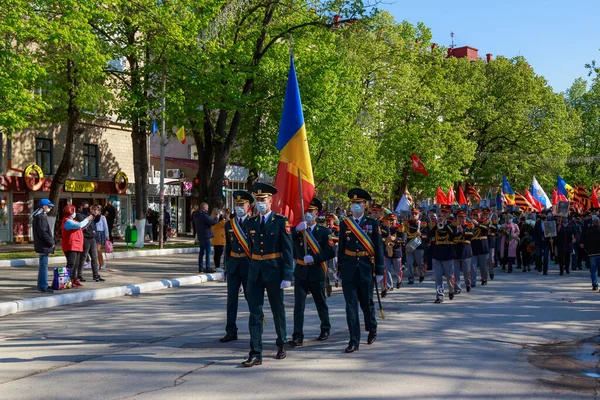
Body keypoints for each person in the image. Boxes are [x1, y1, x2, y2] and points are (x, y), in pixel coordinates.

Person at [241, 183, 293, 368]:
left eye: (263, 200)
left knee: (277, 310)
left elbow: (287, 250)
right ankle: (255, 352)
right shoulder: (251, 222)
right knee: (255, 313)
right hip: (255, 272)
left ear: (271, 201)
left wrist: (287, 275)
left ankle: (281, 344)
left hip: (274, 270)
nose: (261, 203)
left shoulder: (280, 221)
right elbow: (250, 248)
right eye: (258, 200)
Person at [337, 188, 384, 353]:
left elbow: (379, 248)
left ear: (365, 205)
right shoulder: (344, 223)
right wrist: (339, 268)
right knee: (350, 306)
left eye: (359, 203)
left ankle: (372, 326)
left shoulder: (373, 223)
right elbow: (341, 247)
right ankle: (353, 340)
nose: (355, 206)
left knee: (367, 303)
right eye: (353, 203)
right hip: (349, 268)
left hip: (365, 267)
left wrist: (379, 270)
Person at [288, 197, 335, 348]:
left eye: (311, 211)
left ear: (316, 214)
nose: (308, 214)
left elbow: (330, 252)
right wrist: (296, 230)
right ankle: (297, 335)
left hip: (316, 271)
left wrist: (315, 258)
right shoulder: (299, 229)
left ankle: (325, 328)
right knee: (298, 306)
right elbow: (288, 241)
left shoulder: (323, 231)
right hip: (301, 271)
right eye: (306, 211)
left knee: (320, 303)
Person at [219, 191, 254, 343]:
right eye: (237, 205)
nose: (239, 207)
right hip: (233, 265)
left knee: (251, 298)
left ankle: (254, 330)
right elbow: (228, 248)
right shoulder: (229, 224)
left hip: (248, 266)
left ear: (248, 206)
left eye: (242, 205)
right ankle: (231, 331)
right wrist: (226, 267)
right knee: (231, 300)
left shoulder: (253, 223)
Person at [61, 204, 93, 287]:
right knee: (71, 264)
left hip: (77, 245)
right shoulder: (67, 221)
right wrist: (87, 219)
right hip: (71, 245)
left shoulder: (72, 220)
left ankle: (74, 279)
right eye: (74, 211)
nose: (75, 213)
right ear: (70, 212)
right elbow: (79, 225)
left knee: (76, 264)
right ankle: (67, 281)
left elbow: (80, 226)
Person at [431, 205, 457, 303]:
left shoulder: (452, 223)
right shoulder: (436, 223)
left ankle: (451, 290)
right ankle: (440, 295)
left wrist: (446, 225)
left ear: (449, 213)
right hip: (437, 253)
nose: (444, 214)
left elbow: (454, 235)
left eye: (446, 212)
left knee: (449, 276)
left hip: (448, 253)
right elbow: (430, 234)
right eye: (442, 212)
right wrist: (435, 225)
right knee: (438, 277)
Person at [76, 201, 104, 283]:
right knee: (83, 257)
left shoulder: (88, 214)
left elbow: (96, 220)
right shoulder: (79, 215)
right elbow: (84, 223)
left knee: (94, 257)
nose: (87, 208)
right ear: (81, 207)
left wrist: (97, 213)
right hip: (85, 238)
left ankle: (96, 275)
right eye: (85, 207)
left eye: (87, 207)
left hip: (92, 238)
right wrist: (91, 215)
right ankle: (79, 275)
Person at [33, 198, 55, 293]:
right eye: (49, 206)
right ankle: (43, 286)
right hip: (44, 245)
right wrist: (51, 242)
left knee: (43, 265)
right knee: (43, 266)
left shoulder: (39, 216)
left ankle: (43, 284)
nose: (50, 208)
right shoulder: (40, 217)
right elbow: (43, 232)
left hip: (42, 244)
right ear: (44, 206)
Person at [380, 214, 405, 296]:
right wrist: (386, 240)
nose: (391, 221)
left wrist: (395, 239)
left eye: (393, 220)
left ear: (396, 220)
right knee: (387, 269)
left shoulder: (400, 228)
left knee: (397, 269)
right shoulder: (384, 228)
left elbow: (403, 240)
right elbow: (381, 238)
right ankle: (389, 286)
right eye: (390, 219)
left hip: (396, 251)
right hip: (387, 251)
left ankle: (399, 279)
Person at [194, 202, 219, 273]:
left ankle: (201, 267)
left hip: (201, 235)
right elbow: (211, 222)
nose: (208, 208)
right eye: (207, 207)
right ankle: (208, 267)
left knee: (202, 252)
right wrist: (217, 218)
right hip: (206, 235)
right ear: (204, 207)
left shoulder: (198, 215)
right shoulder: (203, 215)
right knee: (208, 251)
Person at [404, 208, 427, 284]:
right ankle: (411, 279)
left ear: (418, 215)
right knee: (409, 263)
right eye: (412, 214)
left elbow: (426, 235)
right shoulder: (406, 224)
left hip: (418, 245)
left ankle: (422, 274)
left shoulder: (422, 224)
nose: (413, 215)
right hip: (409, 245)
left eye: (415, 214)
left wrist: (421, 235)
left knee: (420, 262)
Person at [453, 210, 474, 294]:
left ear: (466, 218)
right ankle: (457, 288)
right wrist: (457, 231)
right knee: (456, 272)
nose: (461, 219)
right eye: (460, 218)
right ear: (457, 218)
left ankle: (468, 283)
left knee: (466, 271)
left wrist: (462, 231)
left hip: (466, 251)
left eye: (463, 218)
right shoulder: (453, 226)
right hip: (455, 250)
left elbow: (471, 234)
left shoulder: (470, 226)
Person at [471, 210, 490, 286]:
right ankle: (473, 282)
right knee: (473, 266)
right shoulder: (470, 224)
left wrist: (477, 224)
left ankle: (484, 279)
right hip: (473, 246)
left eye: (476, 215)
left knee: (483, 266)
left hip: (482, 246)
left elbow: (486, 229)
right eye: (473, 215)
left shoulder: (485, 222)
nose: (474, 217)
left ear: (479, 216)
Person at [581, 214, 600, 290]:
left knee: (593, 269)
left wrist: (587, 250)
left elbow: (585, 242)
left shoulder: (588, 231)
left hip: (592, 253)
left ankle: (595, 284)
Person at [93, 205, 110, 270]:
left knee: (98, 249)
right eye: (94, 210)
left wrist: (107, 235)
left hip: (100, 233)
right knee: (94, 250)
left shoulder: (102, 217)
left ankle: (102, 263)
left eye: (96, 210)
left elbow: (105, 226)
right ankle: (98, 263)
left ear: (99, 211)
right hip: (94, 233)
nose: (95, 211)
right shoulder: (93, 217)